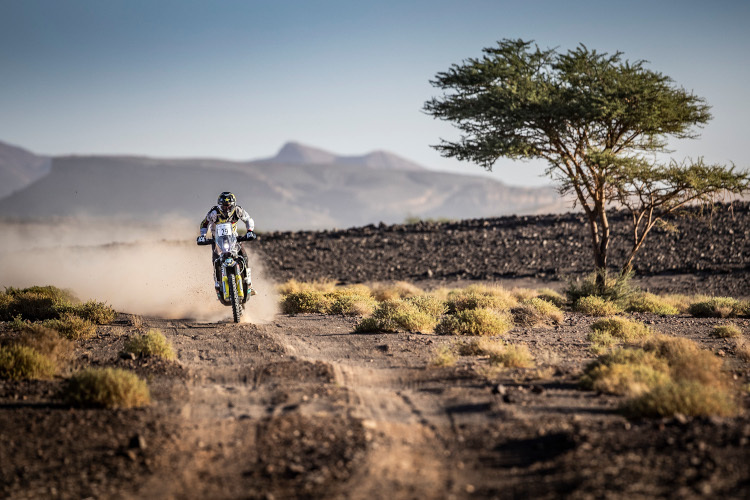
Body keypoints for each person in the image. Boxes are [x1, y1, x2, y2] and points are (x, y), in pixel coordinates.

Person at [197, 191, 257, 296]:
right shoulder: (214, 212)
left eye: (228, 206)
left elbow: (248, 219)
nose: (226, 208)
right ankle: (218, 285)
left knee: (244, 256)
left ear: (233, 204)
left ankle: (249, 284)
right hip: (217, 240)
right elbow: (204, 223)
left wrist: (250, 231)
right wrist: (202, 236)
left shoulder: (238, 210)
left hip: (233, 239)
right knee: (216, 261)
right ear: (219, 205)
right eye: (223, 206)